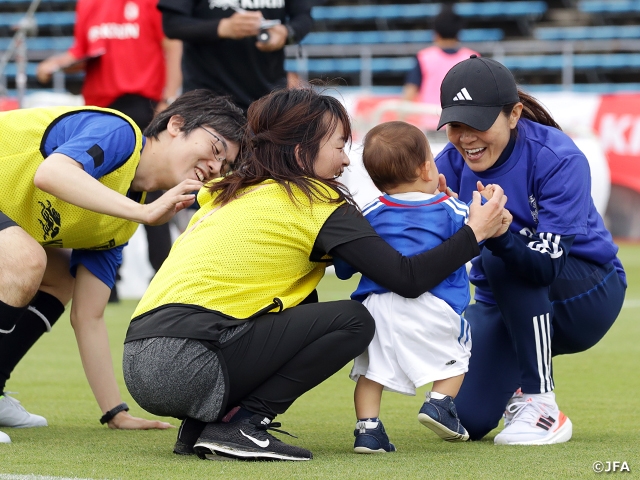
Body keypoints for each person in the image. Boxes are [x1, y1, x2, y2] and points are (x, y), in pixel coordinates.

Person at [121, 87, 509, 462]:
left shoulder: (232, 190)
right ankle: (244, 423)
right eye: (340, 147)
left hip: (140, 359)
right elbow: (405, 278)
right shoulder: (313, 200)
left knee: (304, 301)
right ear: (301, 152)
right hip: (192, 358)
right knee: (354, 319)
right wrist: (474, 231)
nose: (345, 161)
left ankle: (206, 425)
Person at [0, 90, 245, 443]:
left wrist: (115, 411)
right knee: (26, 259)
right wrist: (145, 213)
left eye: (225, 166)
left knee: (59, 280)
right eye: (217, 149)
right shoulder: (121, 133)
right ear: (176, 125)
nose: (215, 167)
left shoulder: (120, 223)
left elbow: (89, 317)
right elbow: (52, 173)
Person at [435, 55, 627, 445]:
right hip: (501, 299)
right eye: (455, 125)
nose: (465, 137)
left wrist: (501, 236)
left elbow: (544, 269)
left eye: (477, 123)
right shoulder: (448, 166)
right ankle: (519, 389)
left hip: (586, 293)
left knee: (498, 253)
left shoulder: (559, 158)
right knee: (468, 419)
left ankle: (543, 408)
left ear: (514, 114)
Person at [334, 121, 499, 453]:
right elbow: (478, 230)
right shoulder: (450, 208)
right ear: (427, 169)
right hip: (435, 304)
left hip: (377, 308)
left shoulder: (369, 212)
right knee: (460, 353)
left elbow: (346, 265)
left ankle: (367, 431)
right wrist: (488, 201)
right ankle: (439, 402)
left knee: (371, 372)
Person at [36, 0, 184, 302]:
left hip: (143, 106)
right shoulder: (87, 4)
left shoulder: (149, 3)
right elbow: (83, 51)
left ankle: (166, 278)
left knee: (151, 190)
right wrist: (57, 64)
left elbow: (172, 45)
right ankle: (104, 284)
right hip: (99, 111)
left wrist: (169, 98)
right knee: (93, 194)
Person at [158, 0, 313, 111]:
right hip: (206, 97)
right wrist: (223, 27)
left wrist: (286, 33)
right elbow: (172, 24)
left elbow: (304, 17)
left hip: (268, 97)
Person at [402, 4, 478, 130]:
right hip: (463, 126)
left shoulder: (424, 58)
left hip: (431, 125)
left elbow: (409, 93)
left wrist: (400, 120)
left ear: (435, 34)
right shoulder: (473, 58)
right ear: (458, 33)